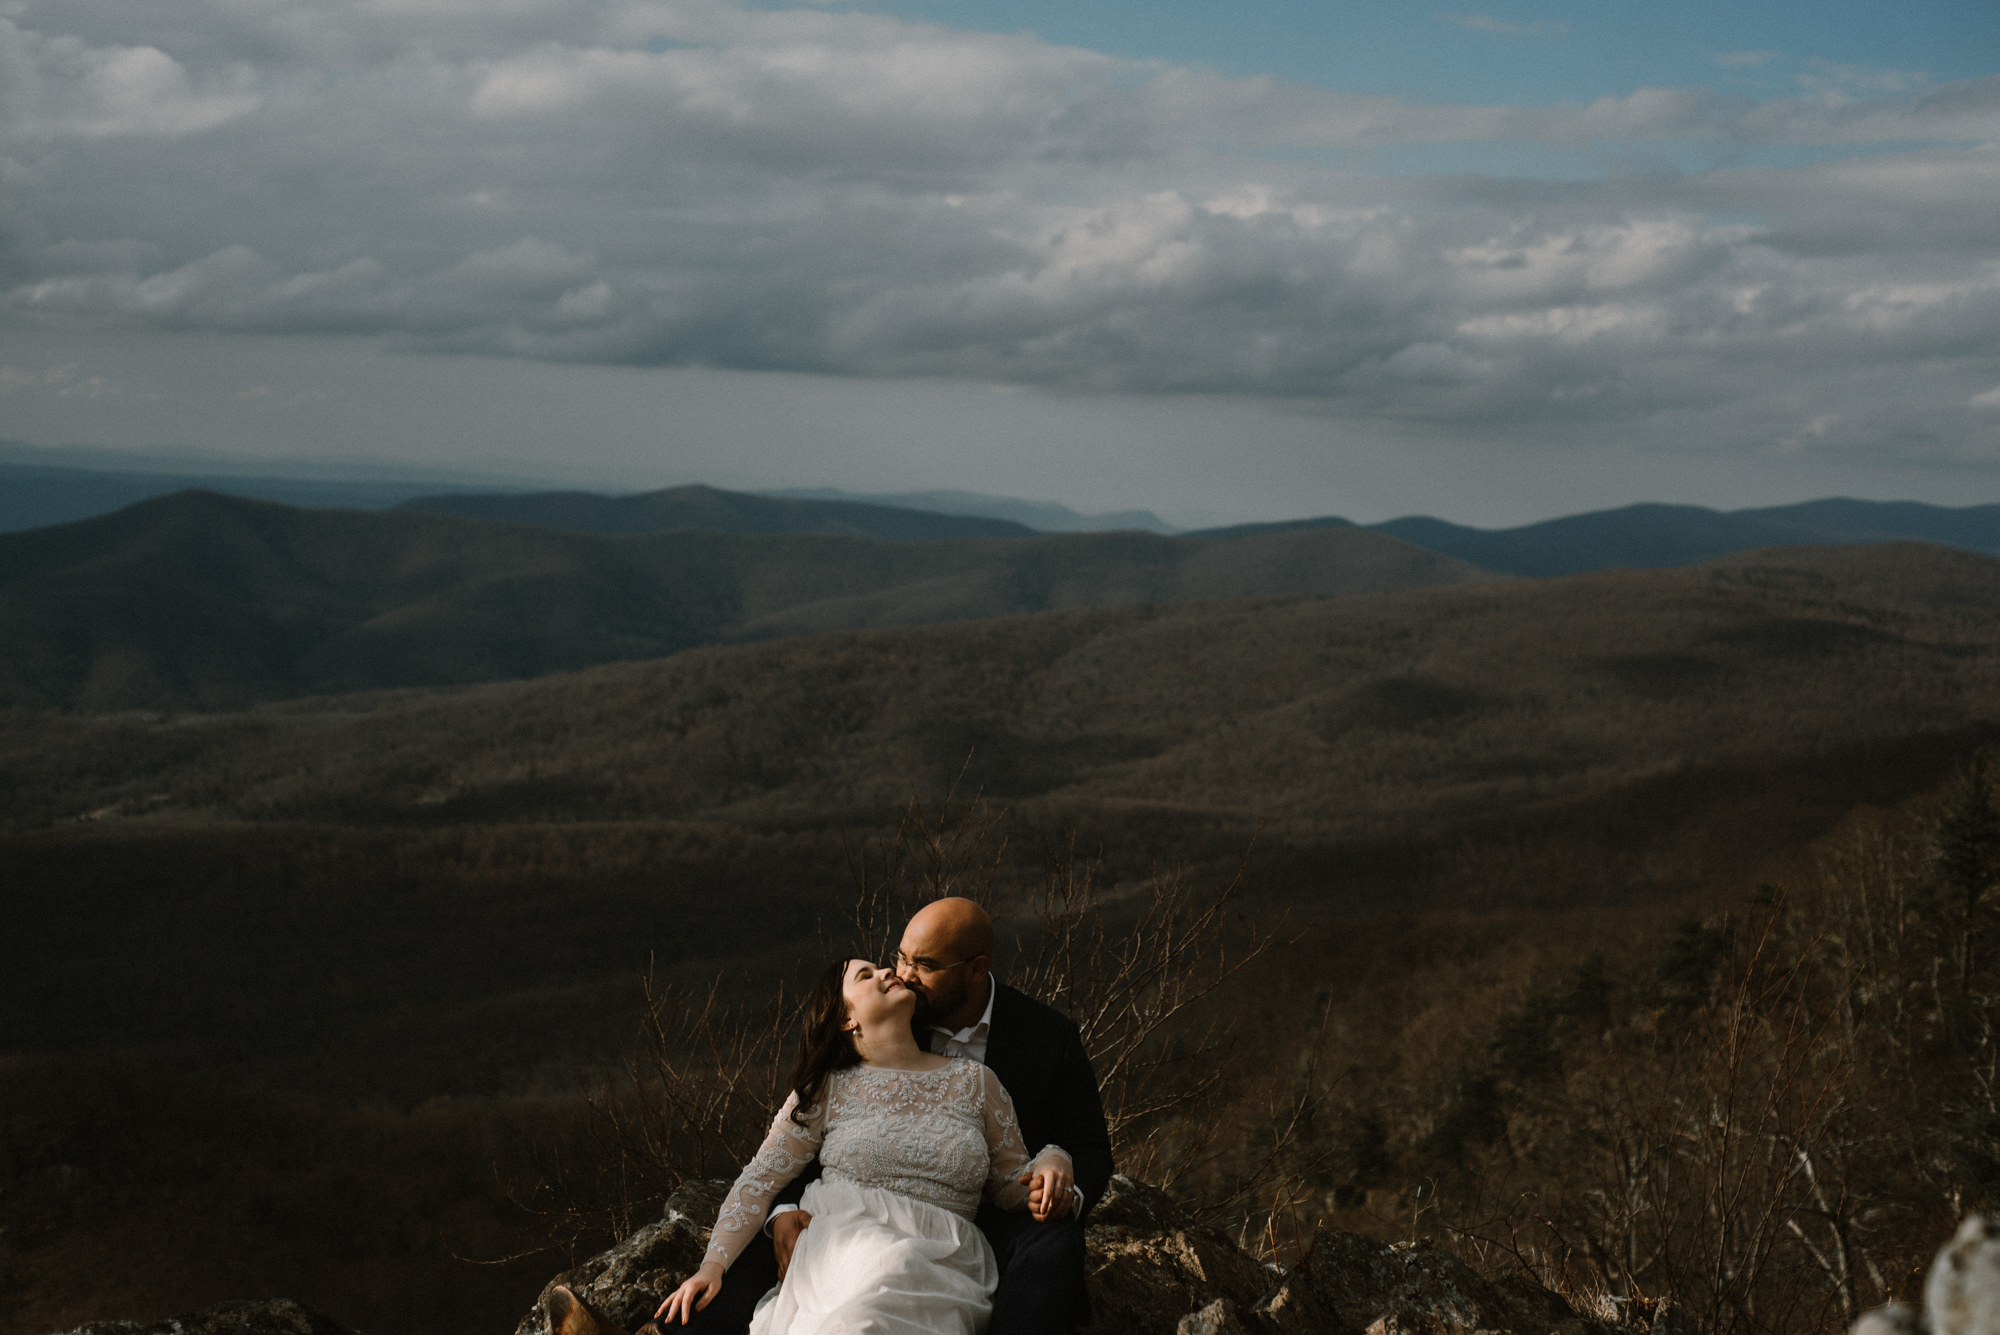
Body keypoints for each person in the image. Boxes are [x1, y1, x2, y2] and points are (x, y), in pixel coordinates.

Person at [655, 955, 1074, 1333]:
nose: (887, 972)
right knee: (866, 1312)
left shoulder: (977, 1083)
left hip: (945, 1259)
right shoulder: (826, 1089)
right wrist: (711, 1268)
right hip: (842, 1246)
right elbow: (759, 1180)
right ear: (846, 1020)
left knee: (899, 1271)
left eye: (881, 967)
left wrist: (1054, 1159)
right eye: (865, 975)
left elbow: (1009, 1186)